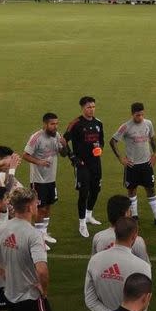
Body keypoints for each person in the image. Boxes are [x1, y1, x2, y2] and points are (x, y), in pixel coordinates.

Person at [110, 102, 156, 228]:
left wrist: (155, 153)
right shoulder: (126, 127)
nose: (140, 117)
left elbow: (153, 138)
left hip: (146, 165)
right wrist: (121, 158)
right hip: (132, 166)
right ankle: (134, 217)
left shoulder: (148, 123)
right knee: (132, 190)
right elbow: (113, 141)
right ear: (132, 114)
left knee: (151, 189)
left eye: (142, 115)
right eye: (138, 115)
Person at [85, 217, 151, 311]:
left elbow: (90, 300)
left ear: (115, 232)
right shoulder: (143, 267)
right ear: (134, 237)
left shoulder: (95, 261)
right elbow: (143, 306)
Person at [64, 96, 105, 238]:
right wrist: (72, 157)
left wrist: (100, 148)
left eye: (93, 107)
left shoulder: (99, 123)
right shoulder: (75, 124)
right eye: (89, 107)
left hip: (95, 163)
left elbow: (101, 141)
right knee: (83, 192)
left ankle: (89, 215)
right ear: (82, 108)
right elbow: (63, 141)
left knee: (96, 189)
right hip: (82, 164)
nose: (91, 109)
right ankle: (82, 223)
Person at [22, 112, 68, 238]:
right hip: (38, 180)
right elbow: (25, 155)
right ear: (45, 124)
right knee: (40, 208)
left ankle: (44, 232)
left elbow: (64, 154)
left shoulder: (57, 136)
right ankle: (38, 235)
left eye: (57, 124)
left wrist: (64, 145)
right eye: (52, 124)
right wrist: (39, 162)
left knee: (48, 206)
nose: (55, 126)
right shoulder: (36, 137)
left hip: (51, 178)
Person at [92, 194, 150, 261]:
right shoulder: (136, 241)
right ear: (126, 214)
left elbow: (94, 263)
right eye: (129, 210)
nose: (131, 213)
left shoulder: (98, 237)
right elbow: (145, 268)